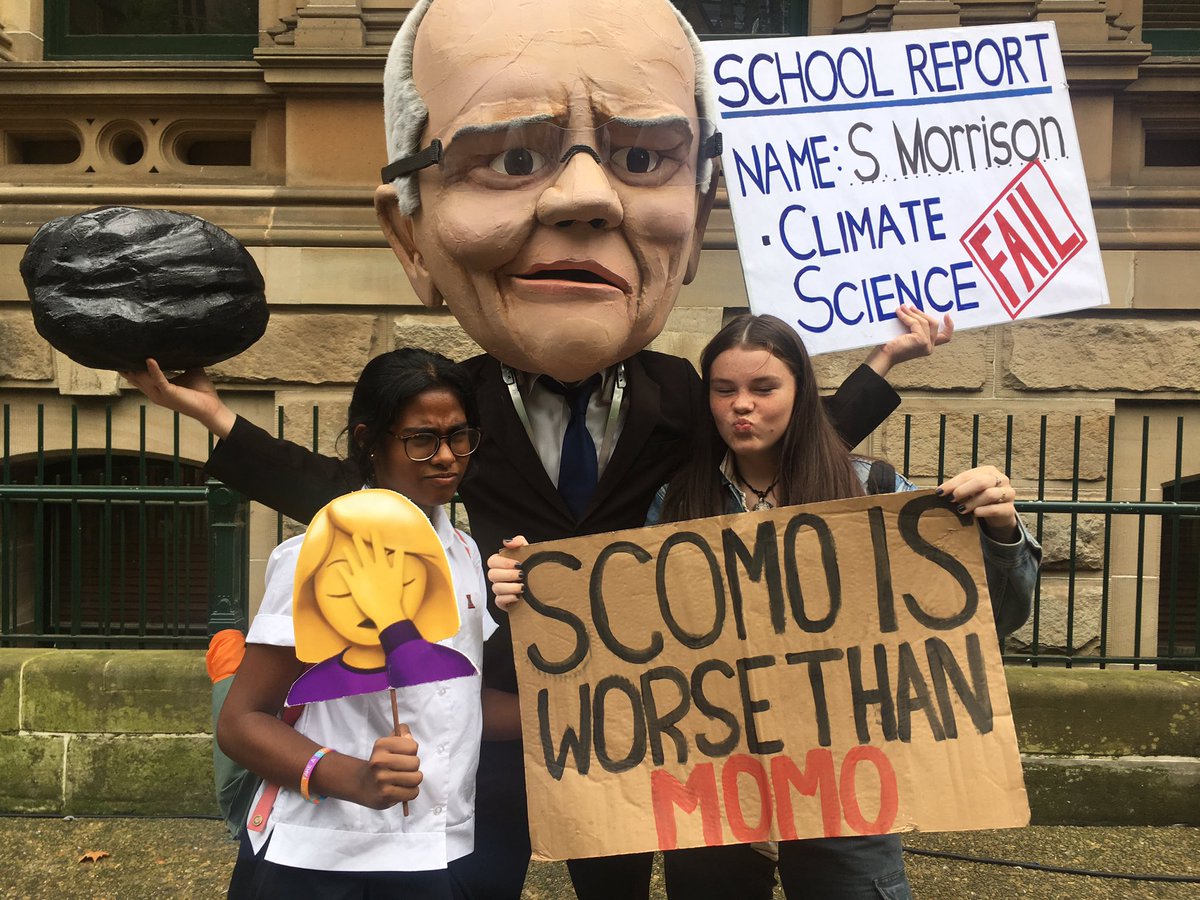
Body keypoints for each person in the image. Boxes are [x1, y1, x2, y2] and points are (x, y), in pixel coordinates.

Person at [124, 3, 952, 896]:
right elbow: (352, 495)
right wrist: (219, 420)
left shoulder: (682, 392)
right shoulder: (459, 403)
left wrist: (884, 363)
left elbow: (780, 442)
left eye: (643, 157)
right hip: (491, 707)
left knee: (616, 885)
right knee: (478, 877)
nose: (585, 200)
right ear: (410, 235)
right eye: (514, 158)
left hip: (628, 711)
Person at [488, 314, 1040, 900]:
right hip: (715, 789)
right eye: (724, 390)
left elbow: (988, 619)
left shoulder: (870, 489)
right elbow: (624, 636)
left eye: (764, 388)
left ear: (801, 392)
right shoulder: (676, 504)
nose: (742, 406)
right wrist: (530, 591)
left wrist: (1001, 532)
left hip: (846, 784)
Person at [203, 348, 514, 899]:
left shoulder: (466, 554)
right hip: (324, 856)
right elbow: (241, 722)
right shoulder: (318, 558)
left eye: (460, 436)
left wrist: (578, 713)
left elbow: (457, 703)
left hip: (438, 849)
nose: (447, 457)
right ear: (370, 441)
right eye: (422, 439)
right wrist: (354, 778)